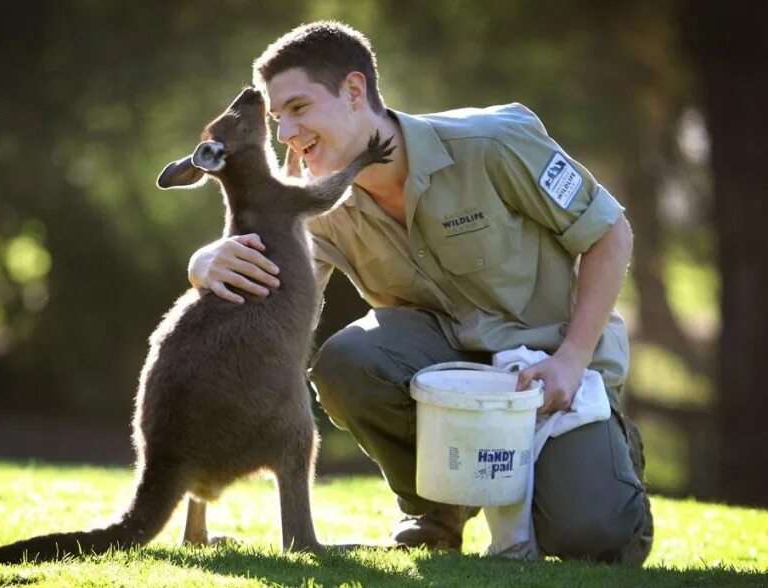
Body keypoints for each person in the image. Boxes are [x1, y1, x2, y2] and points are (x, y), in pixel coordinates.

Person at [188, 21, 653, 564]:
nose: (286, 133)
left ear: (355, 91)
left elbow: (609, 232)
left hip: (552, 368)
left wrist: (572, 360)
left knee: (590, 539)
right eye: (276, 118)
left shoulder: (493, 142)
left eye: (299, 108)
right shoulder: (316, 205)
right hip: (440, 373)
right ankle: (436, 512)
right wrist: (205, 262)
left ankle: (613, 460)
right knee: (347, 363)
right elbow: (278, 305)